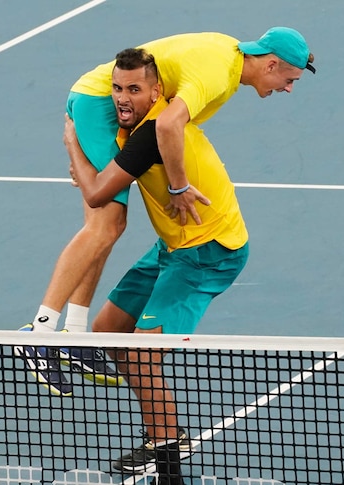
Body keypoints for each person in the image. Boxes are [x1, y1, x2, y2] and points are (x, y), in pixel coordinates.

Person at [17, 27, 316, 397]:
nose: (289, 88)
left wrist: (92, 162)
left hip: (99, 102)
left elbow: (170, 129)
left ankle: (75, 333)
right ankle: (40, 331)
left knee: (111, 223)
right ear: (271, 64)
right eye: (290, 79)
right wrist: (177, 187)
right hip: (97, 101)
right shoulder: (216, 74)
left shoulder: (228, 59)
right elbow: (168, 125)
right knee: (106, 222)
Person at [65, 47, 252, 485]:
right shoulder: (135, 132)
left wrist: (72, 143)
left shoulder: (152, 134)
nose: (122, 98)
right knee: (107, 332)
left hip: (209, 254)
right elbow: (101, 176)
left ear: (157, 92)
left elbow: (95, 194)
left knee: (142, 353)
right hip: (173, 247)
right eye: (116, 89)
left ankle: (165, 443)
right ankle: (165, 433)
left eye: (134, 89)